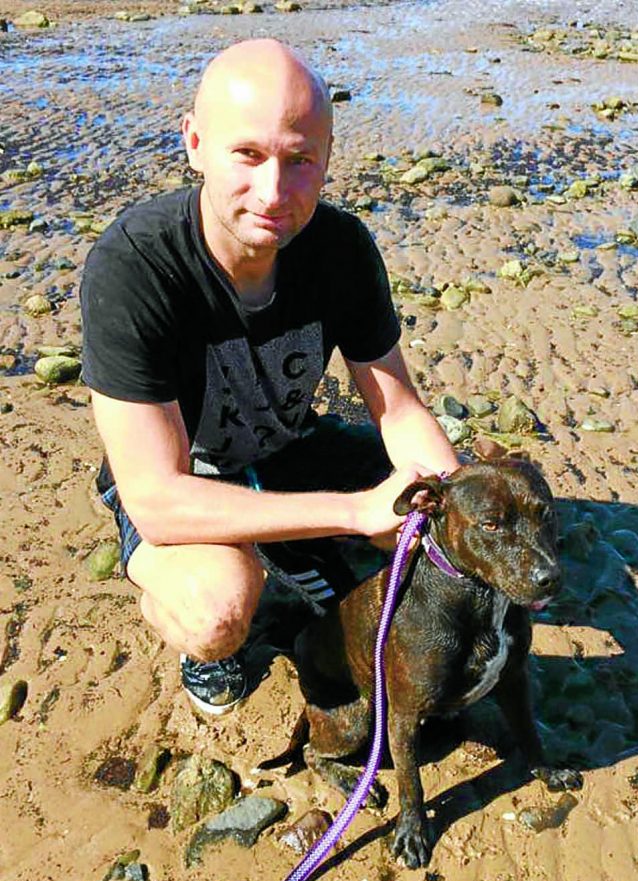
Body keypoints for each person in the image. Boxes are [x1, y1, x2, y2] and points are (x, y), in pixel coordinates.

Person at [80, 38, 461, 716]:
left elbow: (398, 409)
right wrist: (354, 510)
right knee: (218, 609)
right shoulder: (135, 266)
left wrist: (452, 510)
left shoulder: (341, 249)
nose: (274, 192)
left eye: (299, 160)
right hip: (179, 479)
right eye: (248, 155)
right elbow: (158, 497)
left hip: (285, 446)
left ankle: (290, 539)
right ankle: (178, 600)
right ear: (195, 142)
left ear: (325, 161)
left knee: (443, 506)